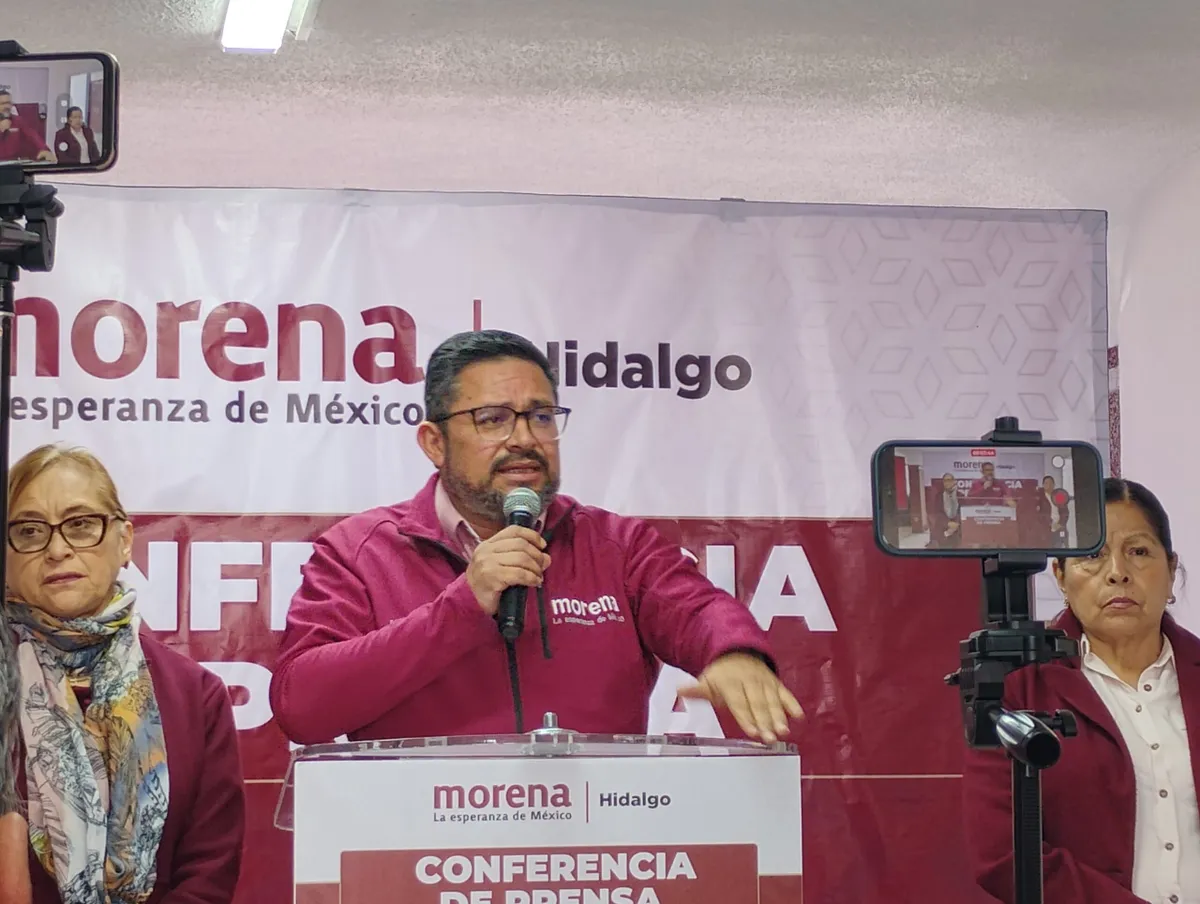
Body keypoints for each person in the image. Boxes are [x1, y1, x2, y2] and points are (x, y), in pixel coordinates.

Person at [271, 329, 803, 745]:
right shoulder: (359, 553)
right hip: (424, 840)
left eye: (541, 417)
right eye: (492, 419)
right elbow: (304, 708)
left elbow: (696, 608)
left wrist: (734, 653)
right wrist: (460, 608)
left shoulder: (615, 545)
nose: (524, 439)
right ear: (434, 442)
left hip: (594, 838)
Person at [4, 444, 245, 904]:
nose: (57, 549)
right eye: (29, 531)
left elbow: (209, 872)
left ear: (125, 540)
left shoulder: (195, 696)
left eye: (80, 525)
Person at [962, 478, 1200, 904]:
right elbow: (1003, 855)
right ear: (1060, 575)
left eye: (1139, 551)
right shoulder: (1017, 690)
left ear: (1170, 569)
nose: (1118, 572)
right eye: (1093, 554)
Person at [0, 93, 53, 164]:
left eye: (9, 103)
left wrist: (44, 149)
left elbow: (33, 136)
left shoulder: (18, 120)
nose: (7, 106)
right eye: (3, 103)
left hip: (14, 163)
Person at [927, 472, 963, 548]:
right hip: (943, 529)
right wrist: (948, 523)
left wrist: (956, 524)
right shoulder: (938, 496)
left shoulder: (961, 496)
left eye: (949, 480)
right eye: (945, 480)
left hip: (958, 530)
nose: (947, 482)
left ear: (954, 481)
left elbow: (963, 512)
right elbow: (937, 513)